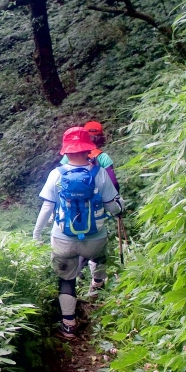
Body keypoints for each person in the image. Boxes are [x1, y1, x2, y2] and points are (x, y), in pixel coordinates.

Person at [34, 126, 123, 339]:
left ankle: (68, 325)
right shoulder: (99, 173)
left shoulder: (56, 174)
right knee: (100, 256)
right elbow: (113, 207)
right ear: (88, 150)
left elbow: (47, 208)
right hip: (94, 239)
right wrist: (121, 208)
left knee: (66, 278)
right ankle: (96, 287)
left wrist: (37, 234)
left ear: (66, 151)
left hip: (63, 239)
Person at [77, 120, 119, 297]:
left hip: (74, 210)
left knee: (77, 240)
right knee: (96, 243)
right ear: (100, 136)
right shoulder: (103, 157)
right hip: (97, 209)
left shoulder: (69, 156)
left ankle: (74, 283)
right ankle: (97, 285)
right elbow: (113, 182)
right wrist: (116, 203)